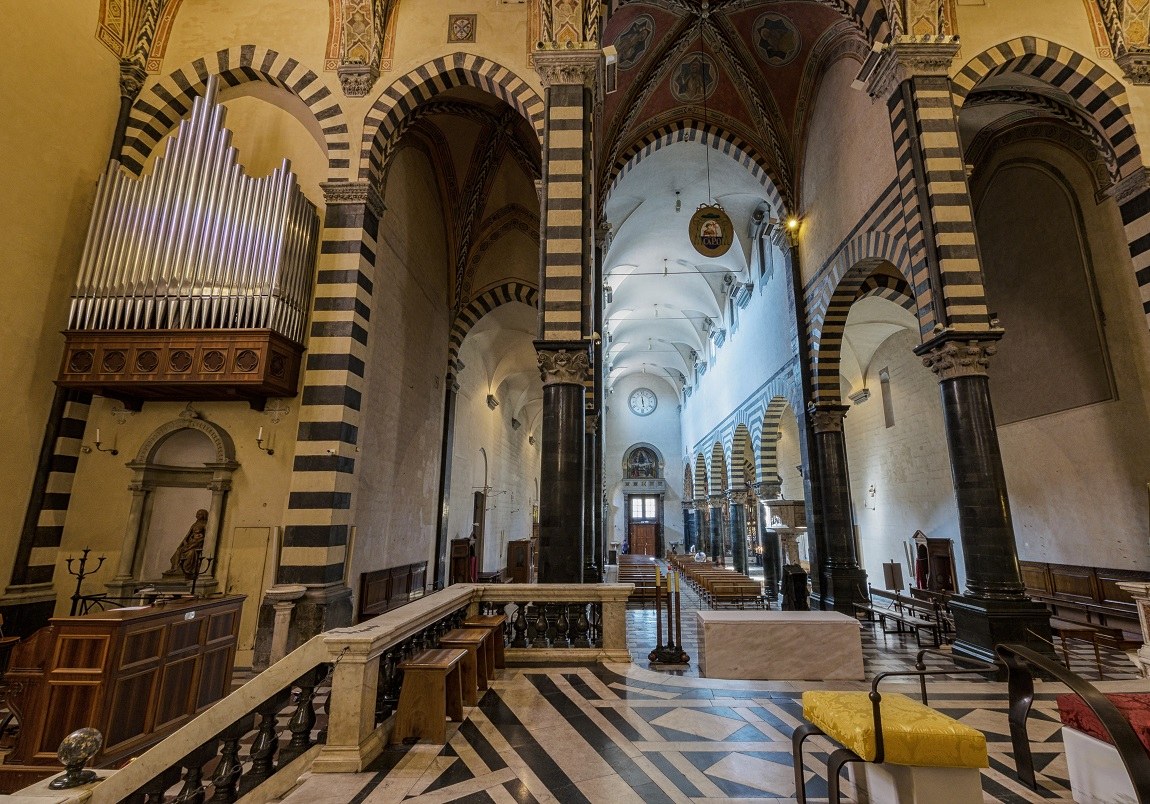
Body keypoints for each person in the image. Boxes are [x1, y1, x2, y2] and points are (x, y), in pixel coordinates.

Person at [165, 509, 208, 579]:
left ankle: (185, 570)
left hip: (197, 544)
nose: (197, 515)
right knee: (179, 551)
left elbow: (206, 536)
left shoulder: (205, 524)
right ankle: (175, 569)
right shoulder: (194, 524)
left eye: (200, 514)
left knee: (191, 553)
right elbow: (188, 535)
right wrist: (184, 542)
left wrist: (197, 541)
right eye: (197, 514)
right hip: (191, 542)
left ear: (203, 515)